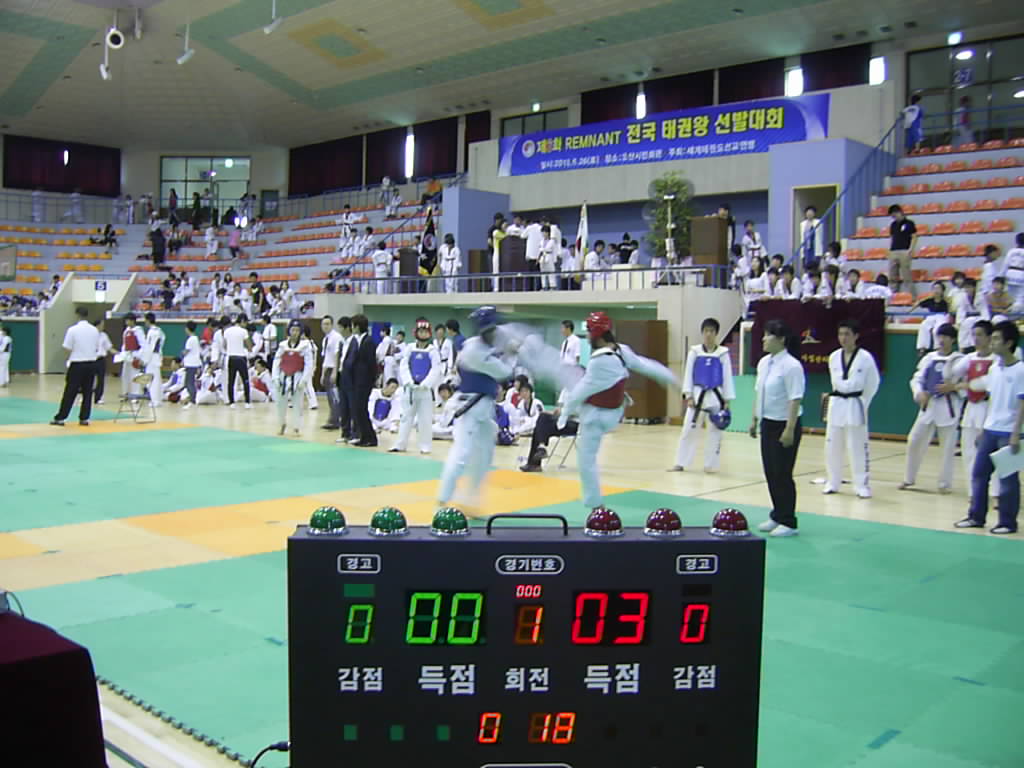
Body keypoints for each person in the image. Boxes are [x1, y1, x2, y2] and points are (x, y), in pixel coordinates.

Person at [557, 311, 677, 508]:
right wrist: (670, 378)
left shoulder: (599, 362)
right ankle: (594, 503)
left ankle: (594, 504)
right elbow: (645, 365)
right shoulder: (622, 350)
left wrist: (564, 414)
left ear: (597, 335)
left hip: (596, 416)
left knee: (586, 461)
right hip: (615, 413)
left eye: (589, 333)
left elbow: (580, 391)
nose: (588, 337)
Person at [437, 307, 515, 514]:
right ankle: (443, 497)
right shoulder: (474, 351)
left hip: (484, 407)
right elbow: (505, 371)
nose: (494, 334)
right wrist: (511, 354)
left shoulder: (477, 345)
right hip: (470, 406)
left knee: (485, 455)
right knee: (462, 452)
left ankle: (471, 498)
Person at [955, 320, 1023, 535]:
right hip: (991, 430)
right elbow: (993, 401)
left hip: (1009, 433)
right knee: (979, 474)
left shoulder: (1021, 370)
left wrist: (1015, 433)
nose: (991, 343)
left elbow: (1022, 403)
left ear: (1009, 343)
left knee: (1007, 479)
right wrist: (984, 428)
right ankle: (976, 516)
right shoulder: (994, 369)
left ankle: (1007, 522)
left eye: (996, 339)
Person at [901, 323, 964, 493]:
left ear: (953, 340)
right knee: (914, 440)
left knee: (947, 448)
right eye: (939, 336)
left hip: (949, 407)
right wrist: (919, 392)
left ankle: (944, 484)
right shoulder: (929, 358)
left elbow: (965, 385)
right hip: (928, 406)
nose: (942, 340)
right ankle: (908, 479)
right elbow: (917, 379)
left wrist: (953, 387)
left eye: (946, 337)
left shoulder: (959, 360)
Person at [823, 319, 881, 498]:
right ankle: (833, 482)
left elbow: (873, 383)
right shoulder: (833, 357)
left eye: (847, 334)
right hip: (837, 403)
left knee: (857, 446)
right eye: (841, 334)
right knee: (832, 445)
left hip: (856, 403)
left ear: (856, 336)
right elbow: (834, 381)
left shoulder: (865, 358)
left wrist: (863, 402)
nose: (843, 338)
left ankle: (861, 485)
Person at [672, 318, 735, 473]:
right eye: (706, 331)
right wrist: (688, 395)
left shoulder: (723, 353)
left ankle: (710, 465)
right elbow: (688, 374)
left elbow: (727, 376)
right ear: (702, 333)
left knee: (715, 432)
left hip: (716, 397)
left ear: (716, 333)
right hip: (697, 396)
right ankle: (680, 462)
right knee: (688, 430)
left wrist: (727, 400)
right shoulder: (694, 352)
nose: (708, 334)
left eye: (711, 331)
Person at [953, 320, 996, 487]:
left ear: (989, 337)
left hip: (988, 406)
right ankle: (973, 490)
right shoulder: (969, 358)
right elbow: (952, 373)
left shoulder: (996, 360)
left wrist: (968, 384)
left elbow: (989, 383)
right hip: (971, 407)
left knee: (990, 452)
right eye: (973, 335)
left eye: (980, 335)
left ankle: (995, 491)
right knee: (969, 451)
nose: (976, 339)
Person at [391, 318, 442, 454]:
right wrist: (408, 381)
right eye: (421, 331)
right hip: (410, 389)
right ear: (416, 332)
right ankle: (400, 444)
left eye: (425, 332)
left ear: (429, 333)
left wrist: (425, 384)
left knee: (425, 419)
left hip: (424, 390)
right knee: (405, 417)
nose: (423, 334)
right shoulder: (410, 348)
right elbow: (404, 366)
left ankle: (425, 446)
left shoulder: (433, 350)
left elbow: (436, 369)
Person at [51, 307, 99, 426]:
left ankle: (61, 417)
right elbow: (96, 347)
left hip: (77, 364)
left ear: (77, 315)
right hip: (91, 364)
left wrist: (69, 359)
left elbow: (67, 347)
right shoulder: (94, 330)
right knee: (87, 392)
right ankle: (84, 418)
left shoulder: (73, 330)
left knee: (70, 392)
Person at [273, 320, 315, 436]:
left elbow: (309, 364)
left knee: (297, 403)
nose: (295, 333)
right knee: (280, 403)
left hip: (297, 376)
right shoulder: (283, 345)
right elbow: (276, 362)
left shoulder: (305, 346)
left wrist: (304, 379)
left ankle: (296, 427)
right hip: (283, 376)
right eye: (293, 330)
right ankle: (281, 424)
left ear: (300, 332)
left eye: (297, 330)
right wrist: (275, 377)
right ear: (289, 331)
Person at [348, 314, 378, 447]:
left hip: (364, 381)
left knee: (361, 409)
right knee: (358, 409)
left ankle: (371, 438)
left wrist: (370, 381)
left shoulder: (368, 341)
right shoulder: (360, 340)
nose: (352, 328)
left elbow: (371, 363)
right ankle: (364, 437)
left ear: (357, 326)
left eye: (353, 325)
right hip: (358, 380)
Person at [887, 205, 918, 297]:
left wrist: (911, 249)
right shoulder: (893, 225)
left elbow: (914, 237)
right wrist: (890, 250)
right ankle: (893, 295)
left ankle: (912, 296)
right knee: (892, 276)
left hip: (904, 250)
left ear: (899, 212)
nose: (894, 218)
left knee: (906, 276)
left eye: (894, 215)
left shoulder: (909, 223)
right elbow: (892, 238)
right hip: (894, 251)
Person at [224, 314, 253, 409]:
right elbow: (249, 345)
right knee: (245, 380)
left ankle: (232, 402)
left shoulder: (227, 331)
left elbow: (225, 345)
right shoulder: (244, 331)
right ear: (242, 321)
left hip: (231, 358)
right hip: (241, 358)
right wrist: (249, 349)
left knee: (231, 381)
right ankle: (247, 402)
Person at [335, 316, 357, 442]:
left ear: (348, 328)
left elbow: (351, 361)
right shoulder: (342, 342)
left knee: (352, 406)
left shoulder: (354, 342)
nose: (339, 330)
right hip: (342, 376)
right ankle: (345, 433)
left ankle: (354, 433)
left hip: (351, 378)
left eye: (340, 328)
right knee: (343, 406)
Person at [320, 316, 343, 429]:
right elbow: (326, 358)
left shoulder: (336, 337)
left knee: (334, 396)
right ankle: (332, 418)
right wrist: (322, 374)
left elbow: (337, 355)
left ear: (332, 325)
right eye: (324, 324)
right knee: (329, 396)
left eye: (328, 324)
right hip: (327, 369)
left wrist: (335, 372)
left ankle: (335, 420)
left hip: (334, 368)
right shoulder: (325, 339)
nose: (325, 326)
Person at [142, 312, 166, 406]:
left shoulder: (152, 332)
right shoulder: (159, 331)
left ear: (148, 320)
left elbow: (150, 348)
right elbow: (163, 340)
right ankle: (157, 399)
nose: (145, 322)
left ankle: (155, 400)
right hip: (156, 357)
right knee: (156, 378)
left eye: (145, 320)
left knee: (152, 379)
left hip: (152, 358)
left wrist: (145, 359)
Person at [119, 313, 145, 396]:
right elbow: (124, 344)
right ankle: (126, 393)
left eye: (127, 320)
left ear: (132, 321)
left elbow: (143, 345)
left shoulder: (138, 331)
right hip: (127, 356)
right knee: (125, 376)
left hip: (135, 356)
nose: (126, 322)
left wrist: (138, 356)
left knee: (135, 376)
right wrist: (123, 354)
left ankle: (135, 395)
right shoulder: (126, 331)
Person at [181, 320, 202, 410]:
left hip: (191, 364)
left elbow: (186, 351)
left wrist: (182, 353)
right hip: (192, 363)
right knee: (188, 382)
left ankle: (192, 401)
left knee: (189, 383)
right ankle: (192, 399)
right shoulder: (195, 338)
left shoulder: (191, 339)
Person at [93, 319, 113, 404]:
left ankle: (98, 398)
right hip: (91, 359)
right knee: (89, 379)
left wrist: (120, 354)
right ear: (97, 325)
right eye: (102, 325)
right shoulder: (90, 334)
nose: (103, 326)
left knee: (101, 379)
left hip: (101, 359)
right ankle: (85, 396)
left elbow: (109, 347)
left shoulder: (104, 335)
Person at [799, 206, 823, 271]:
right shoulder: (803, 224)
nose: (809, 214)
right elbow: (802, 237)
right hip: (806, 248)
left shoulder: (818, 222)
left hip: (815, 248)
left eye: (811, 212)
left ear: (814, 213)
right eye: (808, 212)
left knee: (815, 267)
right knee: (806, 267)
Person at [523, 215, 543, 291]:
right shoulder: (541, 228)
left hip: (530, 255)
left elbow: (522, 236)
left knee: (530, 274)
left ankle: (530, 289)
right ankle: (538, 288)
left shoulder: (529, 228)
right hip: (539, 255)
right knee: (538, 273)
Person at [1004, 233, 1024, 309]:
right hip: (1021, 274)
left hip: (1010, 274)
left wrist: (1001, 276)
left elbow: (1005, 264)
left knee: (1010, 295)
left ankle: (1009, 310)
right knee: (1020, 297)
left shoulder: (1011, 251)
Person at [539, 225, 559, 290]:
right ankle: (543, 286)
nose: (543, 234)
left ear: (548, 233)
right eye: (542, 232)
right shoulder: (541, 241)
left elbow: (554, 250)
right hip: (543, 257)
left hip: (549, 256)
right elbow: (540, 249)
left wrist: (555, 259)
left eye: (545, 232)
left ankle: (552, 286)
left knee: (551, 272)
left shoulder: (552, 241)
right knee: (542, 273)